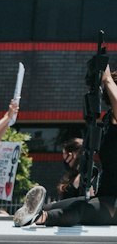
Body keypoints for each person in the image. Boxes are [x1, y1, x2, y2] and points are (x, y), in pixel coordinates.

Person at [15, 64, 117, 227]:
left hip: (114, 204)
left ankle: (40, 218)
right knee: (51, 206)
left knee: (78, 209)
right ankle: (35, 212)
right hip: (105, 195)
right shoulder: (109, 120)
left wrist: (107, 79)